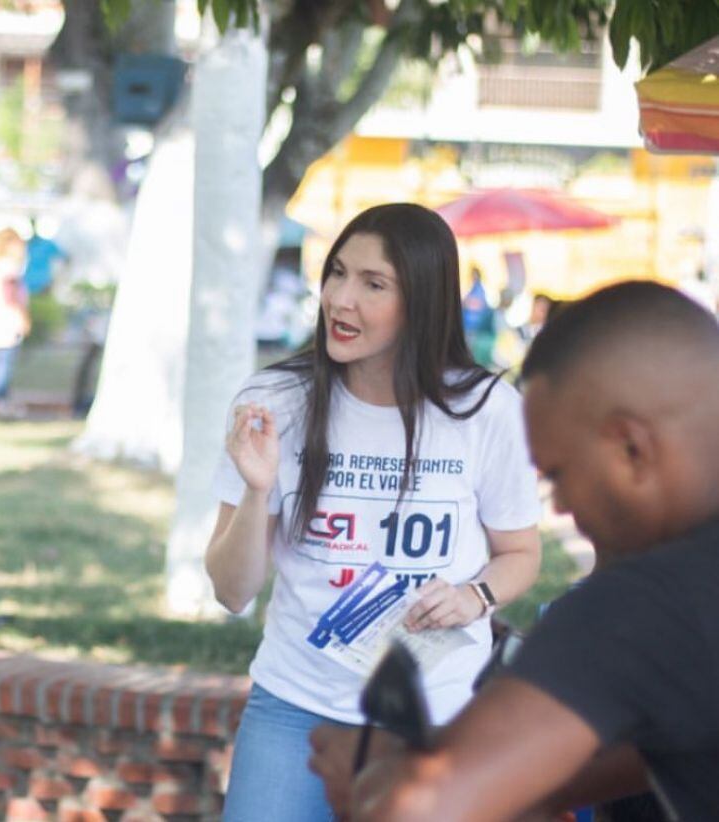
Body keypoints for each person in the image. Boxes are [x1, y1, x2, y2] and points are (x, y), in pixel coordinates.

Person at [208, 203, 542, 821]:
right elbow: (232, 592)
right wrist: (257, 492)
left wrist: (477, 597)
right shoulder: (274, 402)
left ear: (423, 301)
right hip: (295, 709)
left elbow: (521, 554)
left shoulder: (486, 410)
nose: (341, 299)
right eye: (337, 273)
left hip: (435, 714)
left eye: (373, 284)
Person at [340, 281, 719, 821]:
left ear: (632, 448)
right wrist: (539, 787)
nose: (562, 507)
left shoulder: (647, 604)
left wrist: (367, 781)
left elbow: (416, 811)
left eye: (559, 474)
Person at [0, 232, 30, 415]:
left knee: (3, 361)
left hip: (1, 322)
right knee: (3, 363)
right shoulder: (7, 267)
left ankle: (1, 399)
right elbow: (11, 295)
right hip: (8, 323)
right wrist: (23, 317)